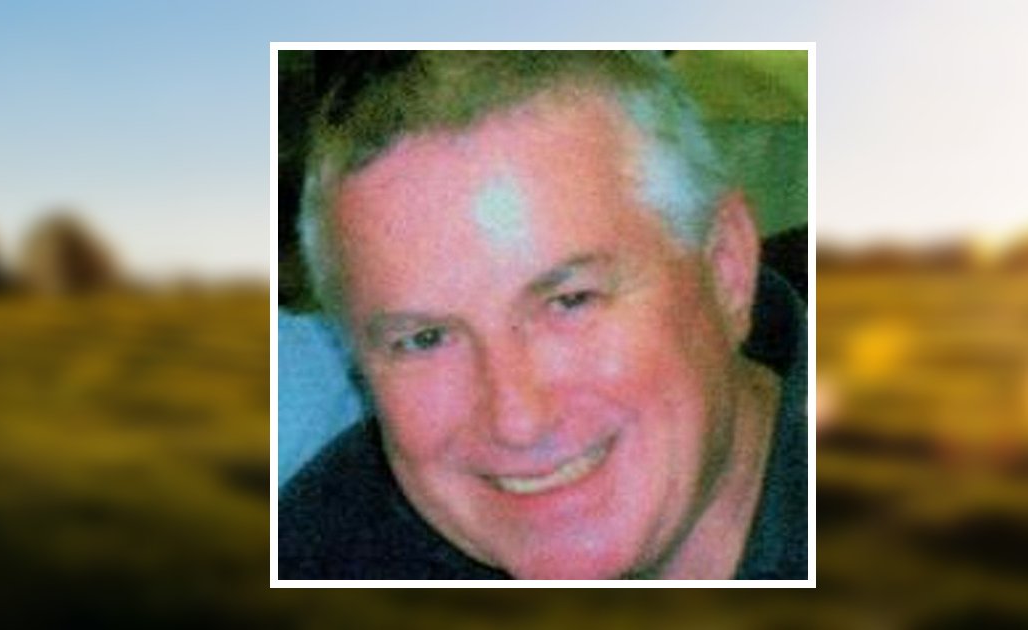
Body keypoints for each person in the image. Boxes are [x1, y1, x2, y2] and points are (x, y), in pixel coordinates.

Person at [279, 51, 806, 580]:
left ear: (726, 269)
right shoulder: (324, 553)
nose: (517, 422)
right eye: (426, 339)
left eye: (570, 302)